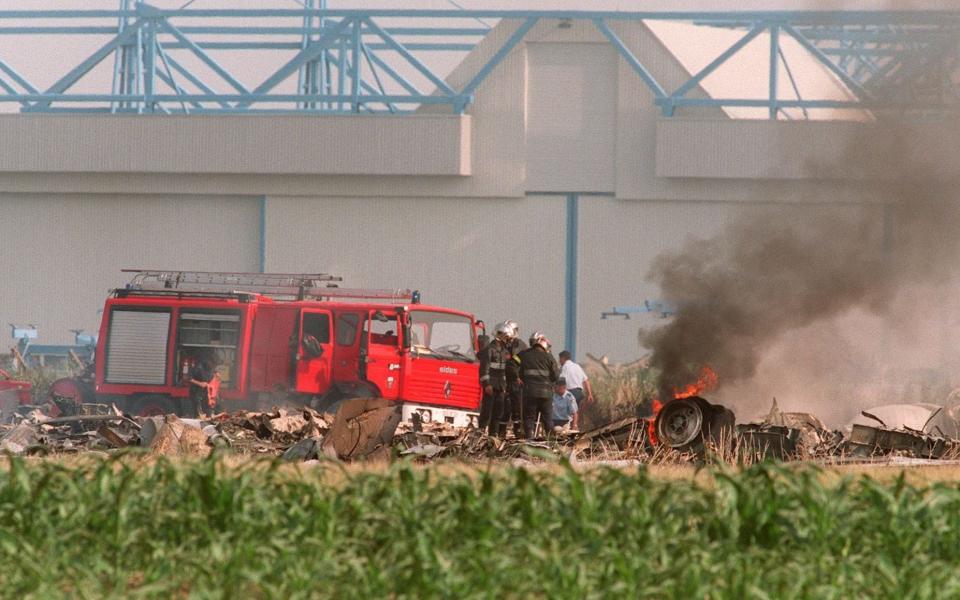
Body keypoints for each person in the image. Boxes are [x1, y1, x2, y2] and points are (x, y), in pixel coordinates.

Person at [516, 331, 559, 439]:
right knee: (547, 419)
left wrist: (517, 377)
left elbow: (514, 365)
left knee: (529, 417)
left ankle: (529, 438)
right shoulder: (549, 357)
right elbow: (556, 376)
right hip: (546, 394)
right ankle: (551, 441)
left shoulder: (525, 355)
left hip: (529, 392)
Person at [478, 325, 510, 437]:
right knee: (486, 411)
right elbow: (484, 370)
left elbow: (505, 371)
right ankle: (480, 433)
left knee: (498, 412)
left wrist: (505, 386)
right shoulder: (489, 350)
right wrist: (487, 385)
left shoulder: (504, 351)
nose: (507, 338)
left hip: (500, 386)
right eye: (505, 335)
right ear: (499, 335)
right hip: (491, 385)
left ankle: (493, 435)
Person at [503, 320, 527, 438]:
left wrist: (511, 359)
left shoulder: (520, 345)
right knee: (503, 409)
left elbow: (517, 361)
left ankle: (518, 432)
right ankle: (500, 432)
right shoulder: (503, 344)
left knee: (517, 409)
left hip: (516, 382)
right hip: (504, 381)